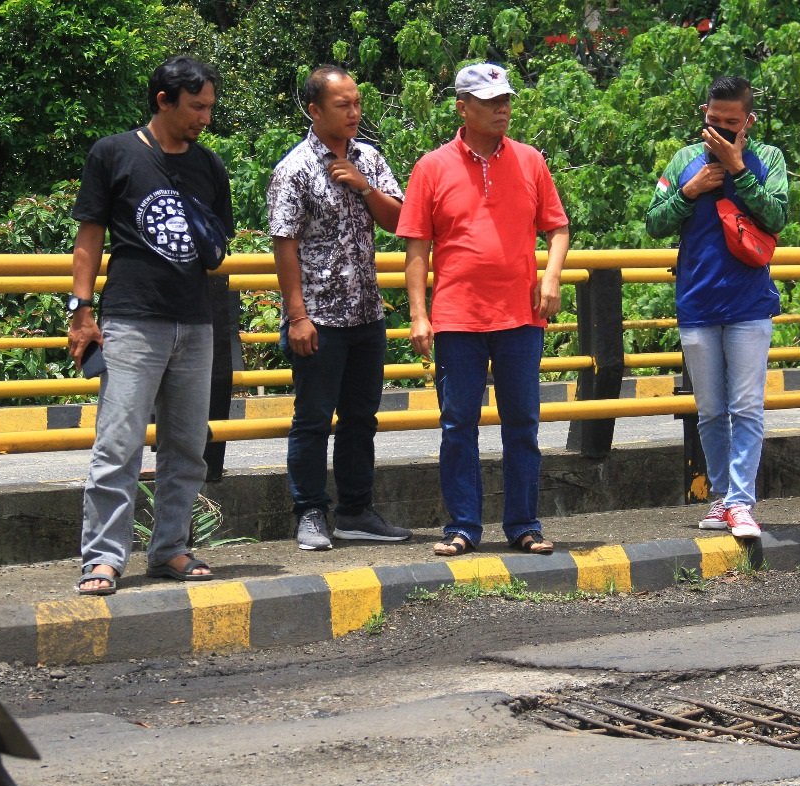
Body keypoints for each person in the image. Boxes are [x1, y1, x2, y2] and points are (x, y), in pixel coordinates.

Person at [68, 56, 234, 594]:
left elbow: (218, 244)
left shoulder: (209, 166)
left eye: (209, 107)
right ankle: (103, 557)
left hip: (195, 318)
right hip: (132, 319)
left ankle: (170, 550)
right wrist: (82, 310)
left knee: (188, 444)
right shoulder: (113, 153)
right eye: (196, 106)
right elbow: (89, 238)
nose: (205, 117)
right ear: (163, 100)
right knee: (118, 444)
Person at [398, 62, 570, 557]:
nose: (503, 109)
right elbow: (416, 248)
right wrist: (418, 314)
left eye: (506, 100)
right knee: (458, 426)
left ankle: (523, 525)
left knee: (523, 423)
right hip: (456, 317)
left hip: (520, 314)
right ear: (462, 107)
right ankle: (463, 527)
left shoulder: (530, 160)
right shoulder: (432, 167)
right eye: (491, 101)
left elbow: (557, 227)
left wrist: (551, 277)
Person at [267, 66, 411, 550]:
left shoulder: (368, 158)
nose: (353, 113)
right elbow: (284, 245)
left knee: (360, 418)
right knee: (312, 419)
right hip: (319, 318)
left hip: (366, 313)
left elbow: (401, 220)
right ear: (315, 110)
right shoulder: (294, 168)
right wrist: (297, 316)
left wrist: (363, 187)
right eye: (342, 105)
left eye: (356, 103)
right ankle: (309, 511)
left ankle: (355, 511)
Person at [645, 75, 789, 539]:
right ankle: (721, 497)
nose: (721, 131)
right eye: (713, 121)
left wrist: (739, 171)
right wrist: (689, 192)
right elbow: (653, 223)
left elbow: (778, 216)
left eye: (731, 123)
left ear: (748, 121)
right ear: (703, 116)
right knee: (709, 410)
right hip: (697, 303)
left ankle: (742, 503)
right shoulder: (685, 161)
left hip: (749, 304)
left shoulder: (767, 158)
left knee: (746, 406)